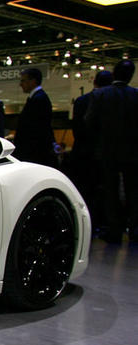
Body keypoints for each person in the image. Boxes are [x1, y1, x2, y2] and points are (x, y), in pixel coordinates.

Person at [85, 60, 138, 244]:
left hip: (107, 151)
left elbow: (89, 122)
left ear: (114, 73)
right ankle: (135, 230)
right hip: (133, 153)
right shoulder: (135, 95)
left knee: (111, 192)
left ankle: (114, 231)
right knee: (133, 192)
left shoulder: (100, 94)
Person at [69, 70, 114, 228]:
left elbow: (77, 129)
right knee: (107, 192)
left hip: (84, 155)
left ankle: (85, 224)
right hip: (108, 155)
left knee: (85, 192)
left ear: (94, 82)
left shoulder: (82, 100)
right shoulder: (114, 101)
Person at [13, 68, 57, 167]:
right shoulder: (37, 97)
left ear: (33, 81)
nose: (20, 84)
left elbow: (36, 128)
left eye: (23, 81)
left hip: (34, 152)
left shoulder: (38, 99)